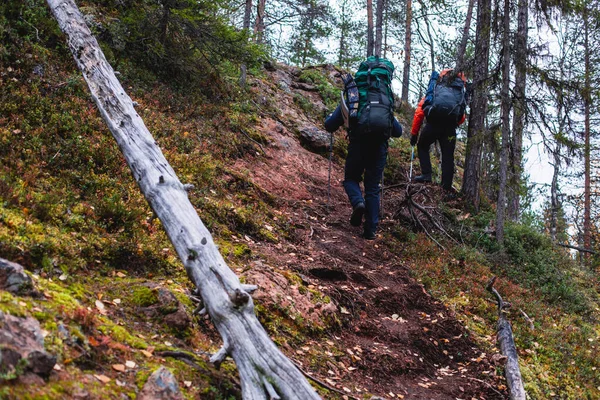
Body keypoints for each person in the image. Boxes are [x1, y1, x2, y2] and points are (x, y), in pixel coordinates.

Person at [325, 58, 403, 240]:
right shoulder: (385, 98)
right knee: (373, 187)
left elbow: (331, 124)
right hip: (379, 146)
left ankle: (358, 202)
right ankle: (370, 231)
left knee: (351, 178)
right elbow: (397, 132)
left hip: (358, 141)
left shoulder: (355, 92)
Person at [410, 69, 467, 196]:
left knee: (422, 145)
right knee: (448, 156)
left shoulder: (436, 89)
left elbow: (420, 113)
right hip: (450, 127)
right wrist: (453, 122)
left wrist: (414, 134)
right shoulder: (458, 92)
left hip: (434, 123)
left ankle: (426, 174)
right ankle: (446, 188)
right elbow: (462, 116)